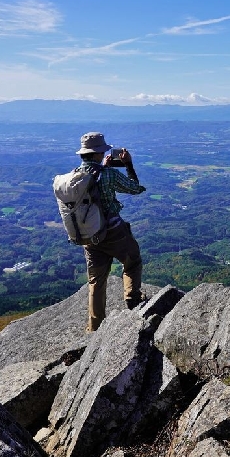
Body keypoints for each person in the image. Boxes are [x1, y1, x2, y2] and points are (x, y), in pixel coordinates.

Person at [75, 132, 146, 331]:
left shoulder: (75, 176)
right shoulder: (107, 175)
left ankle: (94, 327)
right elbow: (136, 188)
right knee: (133, 261)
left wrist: (102, 167)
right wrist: (129, 165)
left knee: (96, 281)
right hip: (114, 232)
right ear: (98, 154)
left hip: (89, 236)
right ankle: (133, 300)